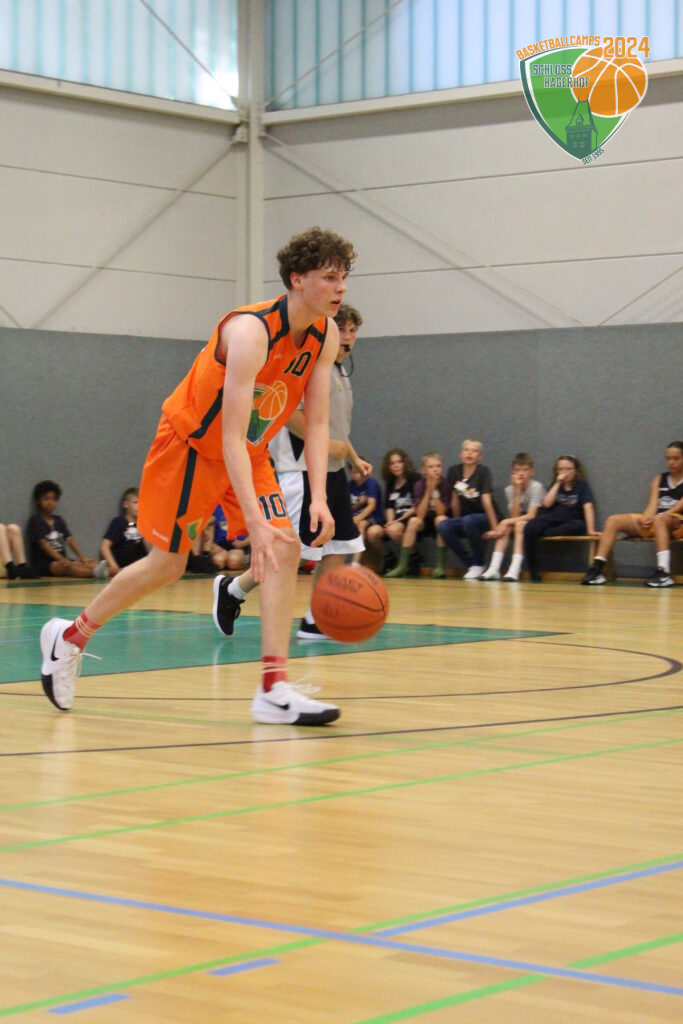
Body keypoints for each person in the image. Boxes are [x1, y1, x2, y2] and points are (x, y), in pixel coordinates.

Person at [39, 226, 355, 726]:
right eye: (330, 277)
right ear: (297, 279)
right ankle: (69, 635)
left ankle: (273, 688)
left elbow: (316, 423)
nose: (341, 287)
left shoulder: (326, 333)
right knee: (168, 565)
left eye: (344, 277)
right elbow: (228, 436)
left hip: (248, 452)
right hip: (191, 446)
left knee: (285, 548)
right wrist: (253, 521)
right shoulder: (251, 332)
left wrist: (318, 495)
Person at [212, 302, 370, 641]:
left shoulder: (340, 373)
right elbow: (295, 418)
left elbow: (335, 430)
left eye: (353, 331)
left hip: (334, 471)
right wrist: (327, 446)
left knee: (339, 546)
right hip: (300, 470)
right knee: (289, 551)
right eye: (342, 329)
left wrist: (353, 458)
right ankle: (234, 589)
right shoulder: (309, 368)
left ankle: (316, 619)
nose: (347, 337)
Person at [581, 441, 683, 588]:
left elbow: (679, 507)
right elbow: (653, 504)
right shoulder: (659, 479)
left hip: (677, 521)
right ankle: (597, 568)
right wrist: (646, 518)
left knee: (661, 519)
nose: (671, 462)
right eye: (668, 458)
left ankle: (664, 573)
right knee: (613, 520)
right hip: (658, 521)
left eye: (676, 458)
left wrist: (659, 517)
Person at [523, 454, 597, 582]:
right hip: (555, 517)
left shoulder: (582, 485)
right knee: (530, 527)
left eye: (568, 469)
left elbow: (588, 507)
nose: (564, 472)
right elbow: (547, 504)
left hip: (573, 519)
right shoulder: (555, 484)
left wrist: (591, 530)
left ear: (576, 470)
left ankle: (545, 533)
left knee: (579, 526)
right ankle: (533, 570)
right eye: (561, 469)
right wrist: (557, 483)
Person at [437, 440, 499, 580]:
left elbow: (486, 500)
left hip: (485, 516)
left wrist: (495, 527)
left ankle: (479, 563)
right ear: (460, 453)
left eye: (474, 451)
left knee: (469, 520)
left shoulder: (483, 472)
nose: (469, 453)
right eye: (466, 450)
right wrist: (456, 520)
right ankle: (470, 564)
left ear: (480, 456)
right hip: (466, 519)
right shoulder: (454, 471)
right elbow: (454, 498)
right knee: (444, 525)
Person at [481, 453, 546, 581]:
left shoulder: (536, 487)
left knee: (518, 525)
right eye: (517, 470)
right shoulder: (509, 489)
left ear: (532, 472)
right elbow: (514, 515)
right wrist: (516, 491)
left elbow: (532, 515)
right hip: (520, 520)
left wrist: (505, 521)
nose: (521, 473)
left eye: (525, 470)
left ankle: (514, 569)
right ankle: (494, 569)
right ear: (512, 472)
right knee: (508, 527)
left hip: (538, 521)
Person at [386, 452, 449, 578]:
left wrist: (434, 491)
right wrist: (428, 491)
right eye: (431, 467)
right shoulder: (419, 484)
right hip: (424, 520)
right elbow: (420, 514)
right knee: (413, 521)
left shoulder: (445, 483)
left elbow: (441, 512)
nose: (435, 469)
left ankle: (441, 566)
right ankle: (402, 565)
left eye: (438, 466)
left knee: (441, 519)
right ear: (423, 470)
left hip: (439, 521)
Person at [28, 480, 108, 579]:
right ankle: (96, 573)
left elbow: (70, 539)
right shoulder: (35, 520)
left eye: (54, 499)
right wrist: (62, 559)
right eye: (46, 499)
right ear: (38, 501)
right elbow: (44, 545)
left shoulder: (59, 520)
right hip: (45, 564)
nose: (50, 502)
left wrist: (82, 558)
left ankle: (118, 572)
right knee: (68, 567)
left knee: (92, 562)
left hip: (63, 560)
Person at [365, 448, 417, 574]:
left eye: (399, 462)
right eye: (392, 463)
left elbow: (417, 505)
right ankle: (389, 556)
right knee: (372, 532)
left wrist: (397, 521)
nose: (396, 466)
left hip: (410, 518)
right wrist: (390, 521)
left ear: (405, 463)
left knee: (393, 530)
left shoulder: (415, 479)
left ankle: (414, 556)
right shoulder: (390, 483)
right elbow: (389, 506)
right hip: (395, 519)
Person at [100, 488, 148, 577]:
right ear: (126, 504)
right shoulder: (119, 522)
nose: (139, 506)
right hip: (123, 569)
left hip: (141, 569)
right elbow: (104, 546)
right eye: (135, 502)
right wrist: (115, 569)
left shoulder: (145, 525)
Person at [348, 463, 382, 563]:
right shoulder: (349, 485)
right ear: (350, 472)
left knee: (361, 525)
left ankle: (355, 562)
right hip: (354, 516)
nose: (359, 475)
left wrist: (357, 519)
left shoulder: (371, 483)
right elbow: (348, 508)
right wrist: (359, 504)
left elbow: (371, 506)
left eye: (361, 472)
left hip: (372, 517)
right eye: (355, 472)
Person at [206, 505, 250, 572]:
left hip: (238, 547)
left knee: (234, 561)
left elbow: (256, 532)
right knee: (218, 561)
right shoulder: (214, 506)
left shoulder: (244, 506)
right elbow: (206, 527)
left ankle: (243, 560)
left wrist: (244, 543)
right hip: (219, 547)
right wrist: (212, 546)